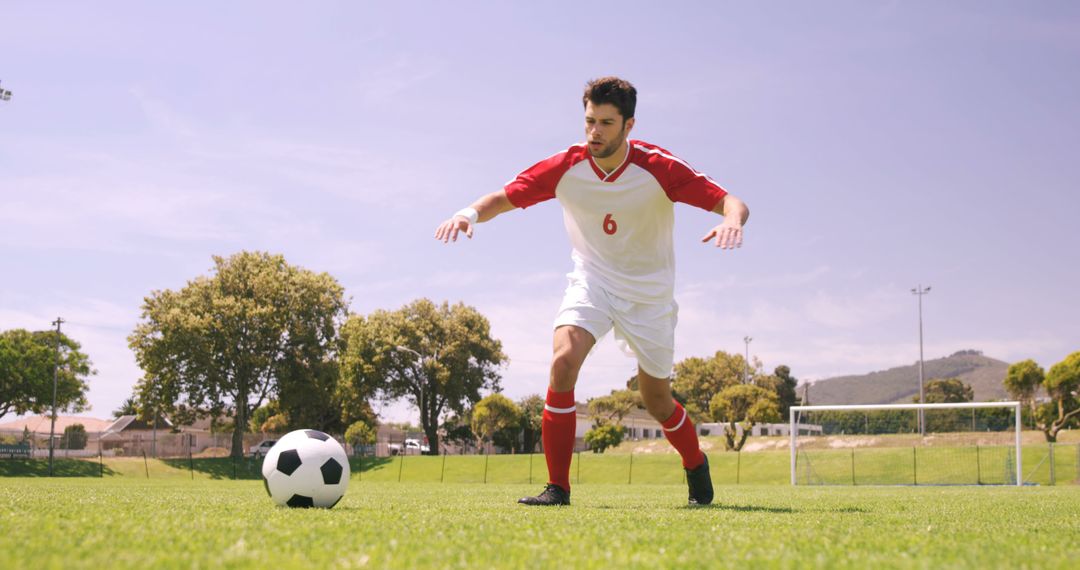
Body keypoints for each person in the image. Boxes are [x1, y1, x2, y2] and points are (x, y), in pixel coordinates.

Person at [434, 77, 749, 506]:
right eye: (589, 121)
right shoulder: (566, 166)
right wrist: (467, 213)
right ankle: (557, 488)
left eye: (606, 122)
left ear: (629, 125)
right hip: (592, 282)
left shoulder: (659, 167)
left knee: (657, 400)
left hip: (648, 296)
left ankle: (695, 462)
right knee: (563, 362)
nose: (594, 132)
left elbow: (732, 201)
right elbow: (504, 196)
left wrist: (732, 221)